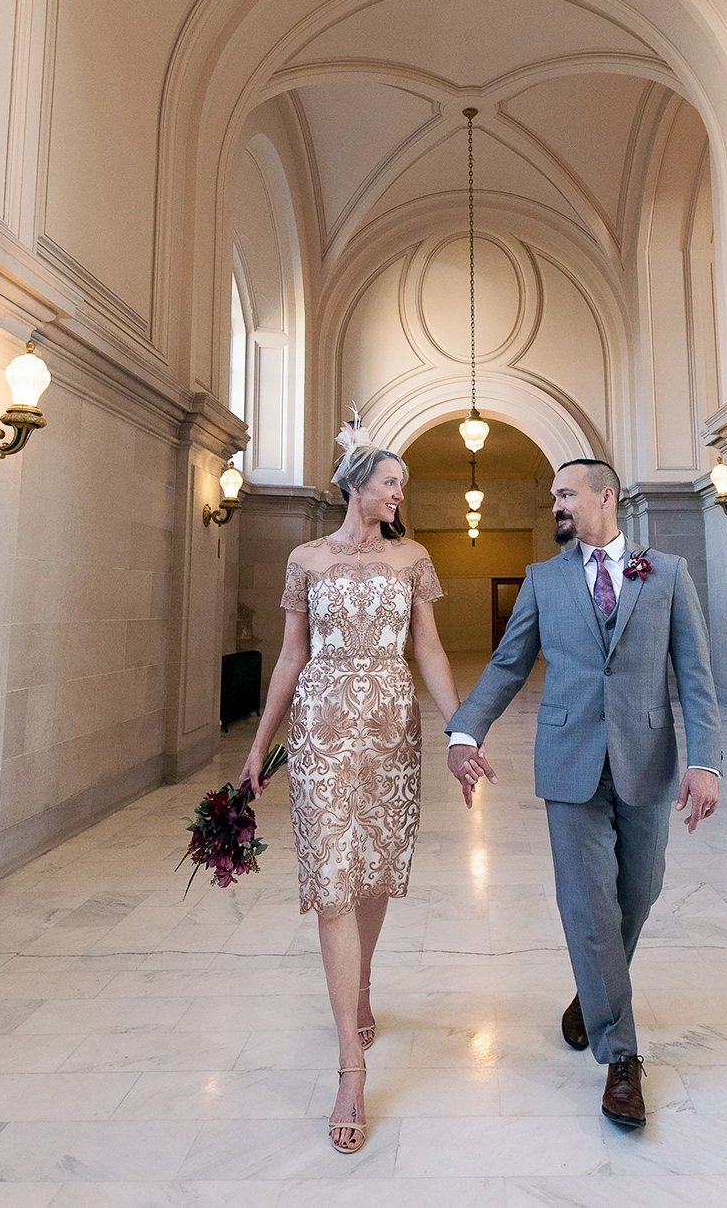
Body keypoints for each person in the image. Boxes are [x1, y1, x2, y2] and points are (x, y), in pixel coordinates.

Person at [445, 457, 722, 1128]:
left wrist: (707, 761)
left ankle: (592, 994)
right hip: (569, 763)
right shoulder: (544, 580)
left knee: (638, 891)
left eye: (566, 493)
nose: (557, 504)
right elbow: (510, 663)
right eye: (552, 496)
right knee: (587, 903)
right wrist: (464, 732)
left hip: (648, 761)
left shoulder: (667, 574)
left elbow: (694, 671)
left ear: (605, 497)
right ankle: (620, 1058)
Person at [236, 420, 460, 1154]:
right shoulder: (306, 559)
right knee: (331, 881)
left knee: (371, 878)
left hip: (393, 732)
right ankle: (350, 1067)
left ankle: (361, 988)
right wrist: (260, 743)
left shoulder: (412, 558)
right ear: (356, 487)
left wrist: (461, 729)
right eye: (390, 482)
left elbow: (426, 647)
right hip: (321, 735)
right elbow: (290, 656)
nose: (400, 494)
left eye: (401, 485)